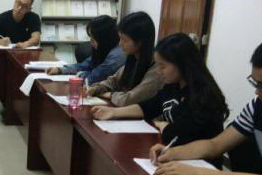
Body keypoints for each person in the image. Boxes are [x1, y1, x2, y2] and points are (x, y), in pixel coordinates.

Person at [151, 35, 262, 175]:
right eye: (255, 83)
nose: (257, 92)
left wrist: (198, 173)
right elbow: (215, 145)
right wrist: (173, 153)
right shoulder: (259, 106)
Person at [92, 33, 229, 164]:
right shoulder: (173, 85)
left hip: (197, 162)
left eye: (162, 66)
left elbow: (178, 135)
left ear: (182, 64)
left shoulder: (203, 95)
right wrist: (113, 112)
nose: (158, 71)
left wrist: (165, 126)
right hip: (173, 154)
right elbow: (148, 107)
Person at [86, 11, 163, 106]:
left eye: (124, 40)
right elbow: (112, 81)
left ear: (140, 42)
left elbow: (129, 99)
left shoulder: (157, 68)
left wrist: (110, 95)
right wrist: (95, 88)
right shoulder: (134, 58)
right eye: (120, 38)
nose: (120, 44)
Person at [47, 15, 124, 83]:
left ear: (104, 39)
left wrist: (81, 74)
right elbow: (86, 65)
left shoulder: (116, 57)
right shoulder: (105, 47)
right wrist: (60, 70)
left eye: (93, 38)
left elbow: (93, 78)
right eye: (90, 37)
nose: (90, 42)